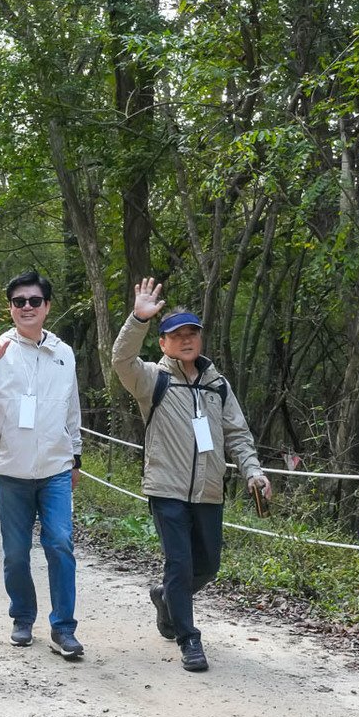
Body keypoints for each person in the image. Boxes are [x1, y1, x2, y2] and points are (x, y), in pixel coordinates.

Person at [112, 278, 271, 672]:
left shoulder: (218, 386)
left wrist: (253, 471)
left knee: (208, 566)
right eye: (176, 335)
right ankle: (188, 638)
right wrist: (138, 319)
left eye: (192, 334)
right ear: (163, 343)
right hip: (166, 489)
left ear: (200, 340)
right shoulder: (153, 379)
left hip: (209, 490)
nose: (185, 340)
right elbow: (121, 360)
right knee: (180, 564)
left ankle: (166, 598)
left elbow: (237, 432)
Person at [0, 271, 84, 658]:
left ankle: (63, 627)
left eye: (34, 301)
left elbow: (72, 410)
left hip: (55, 469)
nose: (26, 307)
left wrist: (75, 456)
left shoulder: (63, 353)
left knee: (60, 544)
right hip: (11, 471)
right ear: (11, 308)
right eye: (19, 302)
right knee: (16, 552)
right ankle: (22, 616)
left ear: (47, 306)